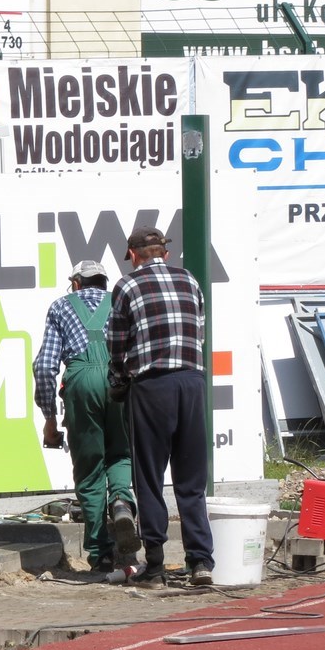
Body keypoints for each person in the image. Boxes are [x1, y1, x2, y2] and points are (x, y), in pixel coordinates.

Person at [106, 226, 215, 588]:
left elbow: (117, 342)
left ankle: (154, 565)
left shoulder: (127, 286)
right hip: (192, 383)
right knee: (191, 480)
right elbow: (197, 331)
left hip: (152, 386)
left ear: (133, 255)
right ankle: (200, 562)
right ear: (164, 254)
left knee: (149, 478)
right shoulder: (190, 281)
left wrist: (119, 378)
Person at [33, 260, 139, 574]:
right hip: (118, 380)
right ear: (104, 283)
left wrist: (49, 416)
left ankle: (101, 553)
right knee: (120, 454)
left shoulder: (61, 307)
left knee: (90, 468)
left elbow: (44, 366)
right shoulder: (122, 300)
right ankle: (121, 502)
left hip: (80, 384)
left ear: (76, 284)